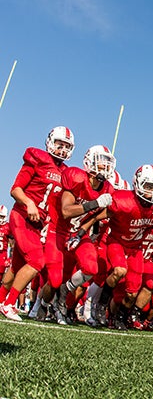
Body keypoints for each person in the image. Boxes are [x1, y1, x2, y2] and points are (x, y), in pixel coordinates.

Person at [0, 126, 75, 321]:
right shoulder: (37, 158)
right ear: (50, 142)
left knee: (16, 266)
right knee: (36, 261)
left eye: (66, 146)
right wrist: (29, 202)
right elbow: (15, 189)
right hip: (22, 215)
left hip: (38, 223)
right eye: (59, 144)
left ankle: (1, 300)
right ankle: (9, 304)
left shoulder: (66, 172)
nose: (62, 149)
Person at [88, 164, 153, 329]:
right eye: (149, 186)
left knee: (133, 291)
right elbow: (100, 216)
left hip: (135, 248)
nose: (152, 191)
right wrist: (85, 231)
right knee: (119, 270)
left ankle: (120, 317)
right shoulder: (124, 201)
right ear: (138, 184)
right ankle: (101, 304)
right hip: (117, 242)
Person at [53, 145, 116, 324]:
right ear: (89, 162)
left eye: (107, 164)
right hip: (59, 230)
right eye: (101, 164)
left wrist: (81, 233)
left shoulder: (107, 188)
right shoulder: (76, 178)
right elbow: (66, 211)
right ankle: (43, 303)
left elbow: (95, 218)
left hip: (78, 233)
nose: (105, 168)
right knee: (54, 276)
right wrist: (94, 203)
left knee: (91, 268)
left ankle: (64, 292)